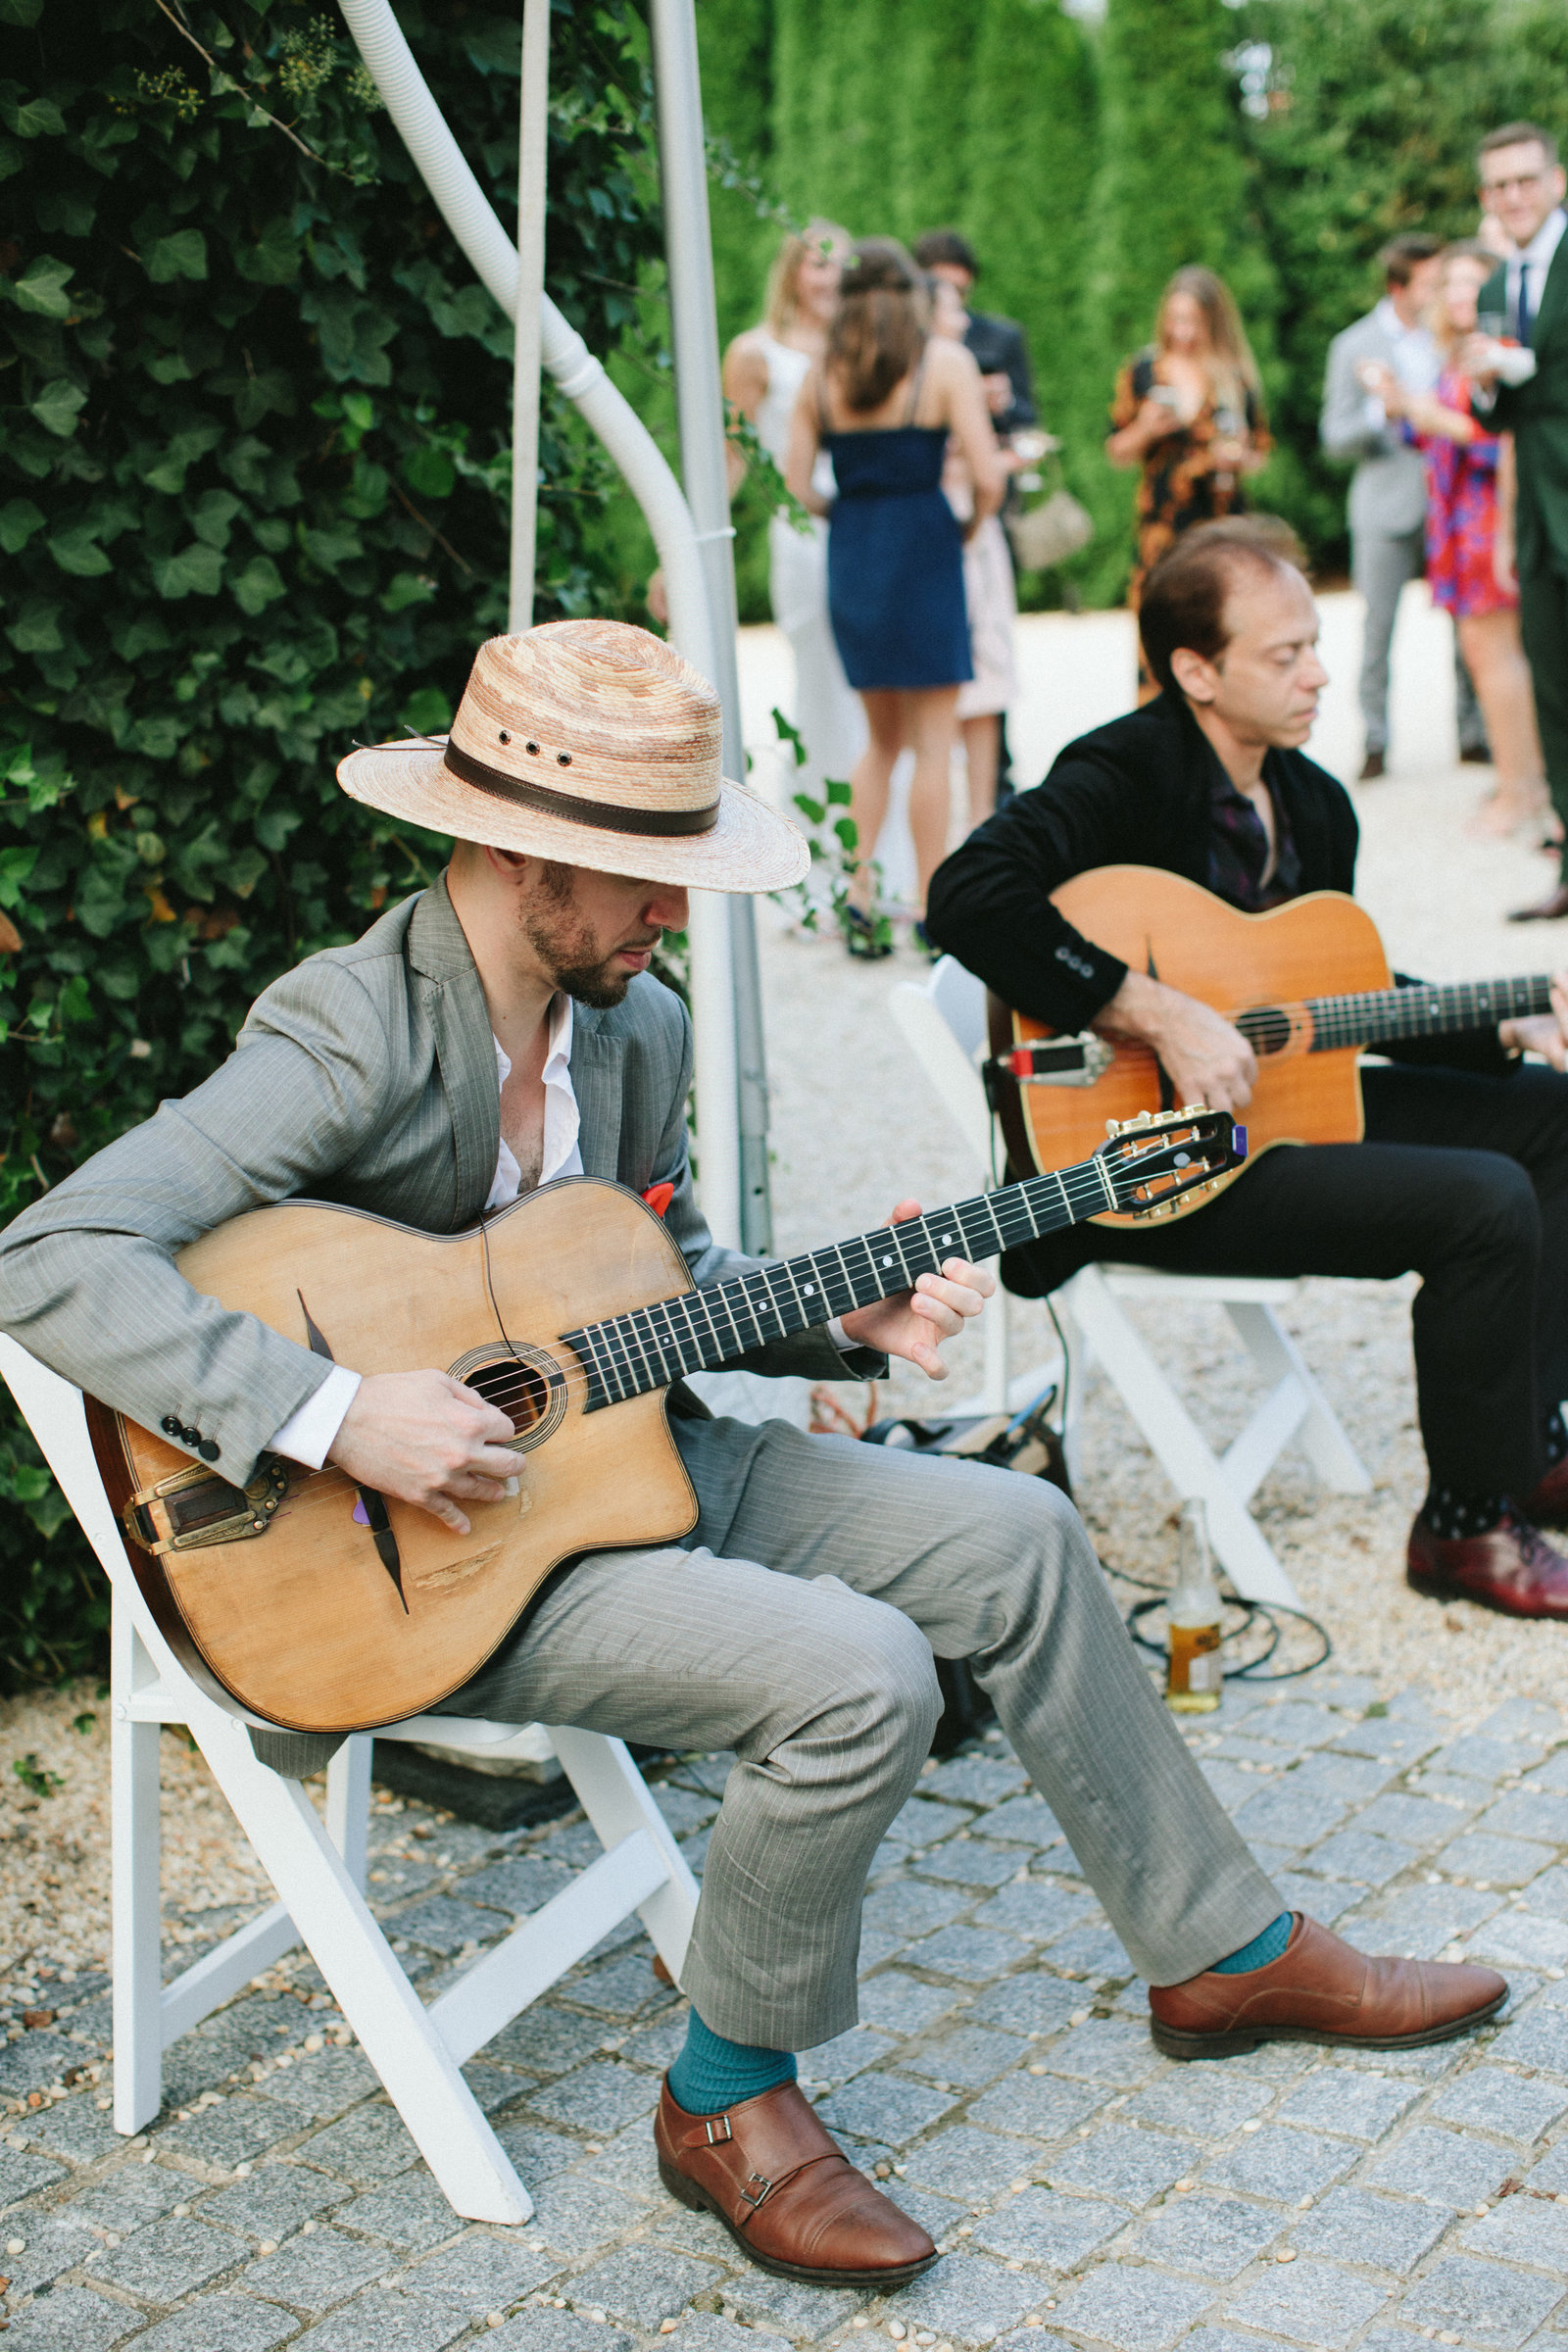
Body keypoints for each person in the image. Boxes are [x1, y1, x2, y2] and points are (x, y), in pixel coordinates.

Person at [0, 618, 1505, 2286]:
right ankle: (724, 2098)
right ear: (517, 853)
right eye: (645, 875)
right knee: (857, 1671)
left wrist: (832, 1321)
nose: (675, 912)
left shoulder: (631, 1028)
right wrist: (339, 1410)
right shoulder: (352, 1031)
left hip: (626, 1466)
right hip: (413, 1568)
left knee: (1015, 1536)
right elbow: (47, 1256)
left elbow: (667, 1278)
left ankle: (1222, 1949)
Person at [926, 519, 1568, 1622]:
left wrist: (1497, 1024)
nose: (1318, 673)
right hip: (1148, 1161)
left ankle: (1524, 1447)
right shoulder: (1122, 774)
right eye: (1286, 655)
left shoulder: (1314, 801)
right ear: (1196, 671)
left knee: (1553, 1118)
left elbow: (1320, 991)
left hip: (1277, 1115)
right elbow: (966, 892)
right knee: (1481, 1201)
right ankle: (1464, 1524)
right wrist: (1154, 1009)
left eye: (1316, 646)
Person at [785, 239, 1004, 949]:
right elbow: (989, 475)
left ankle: (858, 894)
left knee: (878, 743)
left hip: (856, 554)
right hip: (927, 546)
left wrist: (845, 514)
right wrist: (964, 526)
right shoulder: (944, 363)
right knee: (935, 747)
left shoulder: (821, 374)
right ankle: (934, 908)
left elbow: (795, 484)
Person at [1362, 241, 1547, 837]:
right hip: (1453, 520)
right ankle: (1518, 781)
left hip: (1489, 518)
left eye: (1473, 283)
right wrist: (1401, 408)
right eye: (1451, 284)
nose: (1460, 295)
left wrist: (1433, 416)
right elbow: (1441, 441)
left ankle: (1524, 789)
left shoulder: (1502, 354)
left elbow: (1505, 438)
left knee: (1499, 661)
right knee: (1484, 658)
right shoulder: (1454, 357)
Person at [719, 220, 866, 812]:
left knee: (872, 683)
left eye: (840, 264)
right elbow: (730, 452)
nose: (830, 275)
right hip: (804, 530)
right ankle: (822, 835)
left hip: (864, 522)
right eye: (816, 262)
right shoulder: (757, 353)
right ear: (793, 272)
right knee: (820, 682)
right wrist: (686, 547)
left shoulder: (864, 347)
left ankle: (877, 833)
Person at [1464, 123, 1568, 923]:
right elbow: (1494, 419)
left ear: (1555, 179)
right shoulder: (1497, 288)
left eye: (1525, 180)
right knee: (1556, 691)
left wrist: (1530, 371)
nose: (1514, 196)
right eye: (1499, 186)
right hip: (1537, 517)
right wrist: (1488, 382)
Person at [1106, 265, 1270, 700]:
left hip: (1221, 522)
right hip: (1163, 526)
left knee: (1220, 631)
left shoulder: (1234, 377)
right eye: (1175, 319)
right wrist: (1146, 429)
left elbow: (1260, 450)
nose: (1182, 332)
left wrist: (1237, 458)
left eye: (1193, 322)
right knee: (1158, 634)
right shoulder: (1143, 371)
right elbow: (1117, 451)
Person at [1320, 235, 1449, 781]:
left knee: (1470, 624)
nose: (1442, 291)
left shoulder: (1452, 337)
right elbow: (1335, 437)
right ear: (1400, 288)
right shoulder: (1354, 345)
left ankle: (1474, 733)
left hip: (1449, 502)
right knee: (1378, 628)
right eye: (1431, 282)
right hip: (1383, 504)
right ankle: (1376, 741)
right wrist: (1381, 411)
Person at [930, 272, 1018, 833]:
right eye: (953, 308)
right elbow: (968, 470)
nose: (964, 318)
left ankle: (977, 822)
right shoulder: (943, 369)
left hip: (961, 531)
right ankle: (979, 823)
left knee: (982, 681)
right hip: (962, 529)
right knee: (979, 677)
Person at [912, 226, 1037, 438]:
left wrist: (1004, 401)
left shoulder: (1001, 337)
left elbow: (1028, 421)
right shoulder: (899, 341)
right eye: (940, 287)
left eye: (961, 291)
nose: (951, 298)